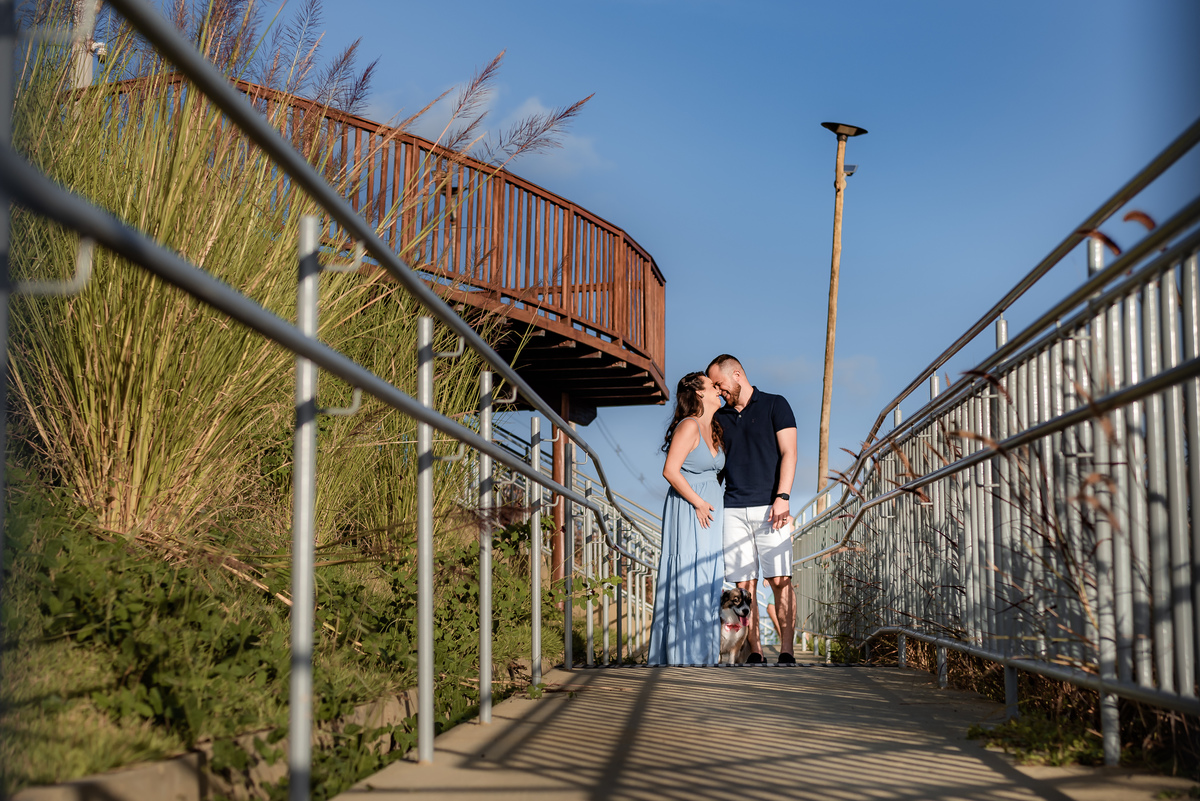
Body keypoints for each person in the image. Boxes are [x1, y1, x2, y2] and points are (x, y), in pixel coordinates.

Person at [706, 354, 798, 664]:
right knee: (744, 586)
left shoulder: (776, 404)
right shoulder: (720, 417)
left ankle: (787, 651)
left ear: (737, 375)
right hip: (733, 508)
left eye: (720, 384)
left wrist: (783, 496)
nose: (719, 391)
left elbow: (789, 452)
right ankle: (754, 651)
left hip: (773, 507)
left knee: (780, 580)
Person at [647, 372, 726, 666]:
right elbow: (670, 470)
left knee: (706, 577)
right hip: (692, 509)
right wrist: (698, 502)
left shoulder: (712, 428)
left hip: (708, 511)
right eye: (712, 385)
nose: (718, 389)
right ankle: (682, 654)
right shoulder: (690, 425)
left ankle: (702, 653)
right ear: (699, 393)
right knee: (689, 572)